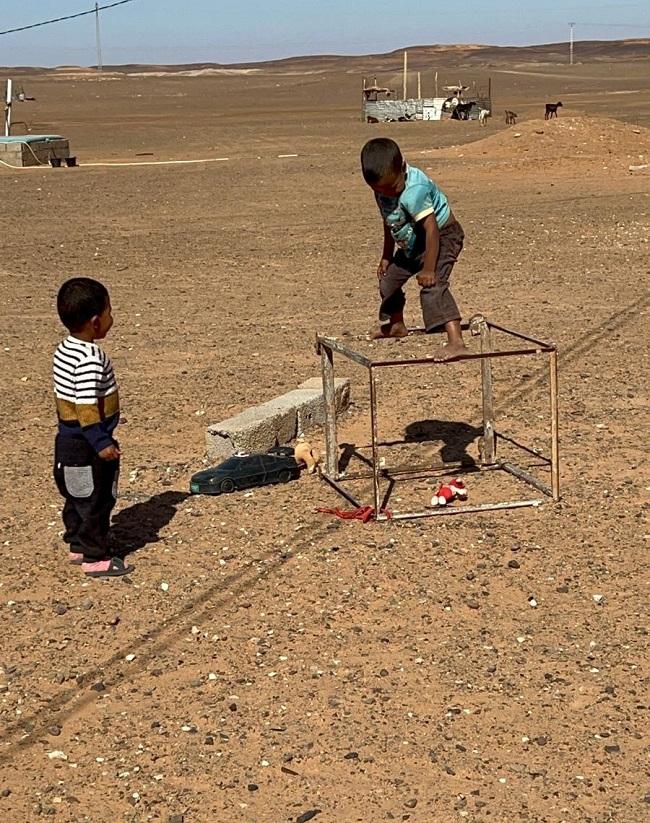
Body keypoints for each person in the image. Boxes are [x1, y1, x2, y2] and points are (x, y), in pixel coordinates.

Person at [52, 277, 132, 577]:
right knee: (97, 499)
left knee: (77, 496)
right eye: (110, 311)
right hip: (88, 444)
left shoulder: (65, 349)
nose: (113, 318)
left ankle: (77, 543)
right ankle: (95, 557)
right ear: (96, 322)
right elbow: (86, 406)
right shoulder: (90, 359)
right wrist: (101, 442)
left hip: (67, 440)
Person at [360, 137, 467, 360]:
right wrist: (386, 256)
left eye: (392, 187)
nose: (388, 193)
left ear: (402, 167)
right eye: (380, 190)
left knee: (434, 285)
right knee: (388, 280)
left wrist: (428, 268)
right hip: (412, 241)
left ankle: (456, 341)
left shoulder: (414, 189)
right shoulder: (382, 187)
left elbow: (432, 229)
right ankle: (397, 324)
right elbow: (389, 220)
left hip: (442, 236)